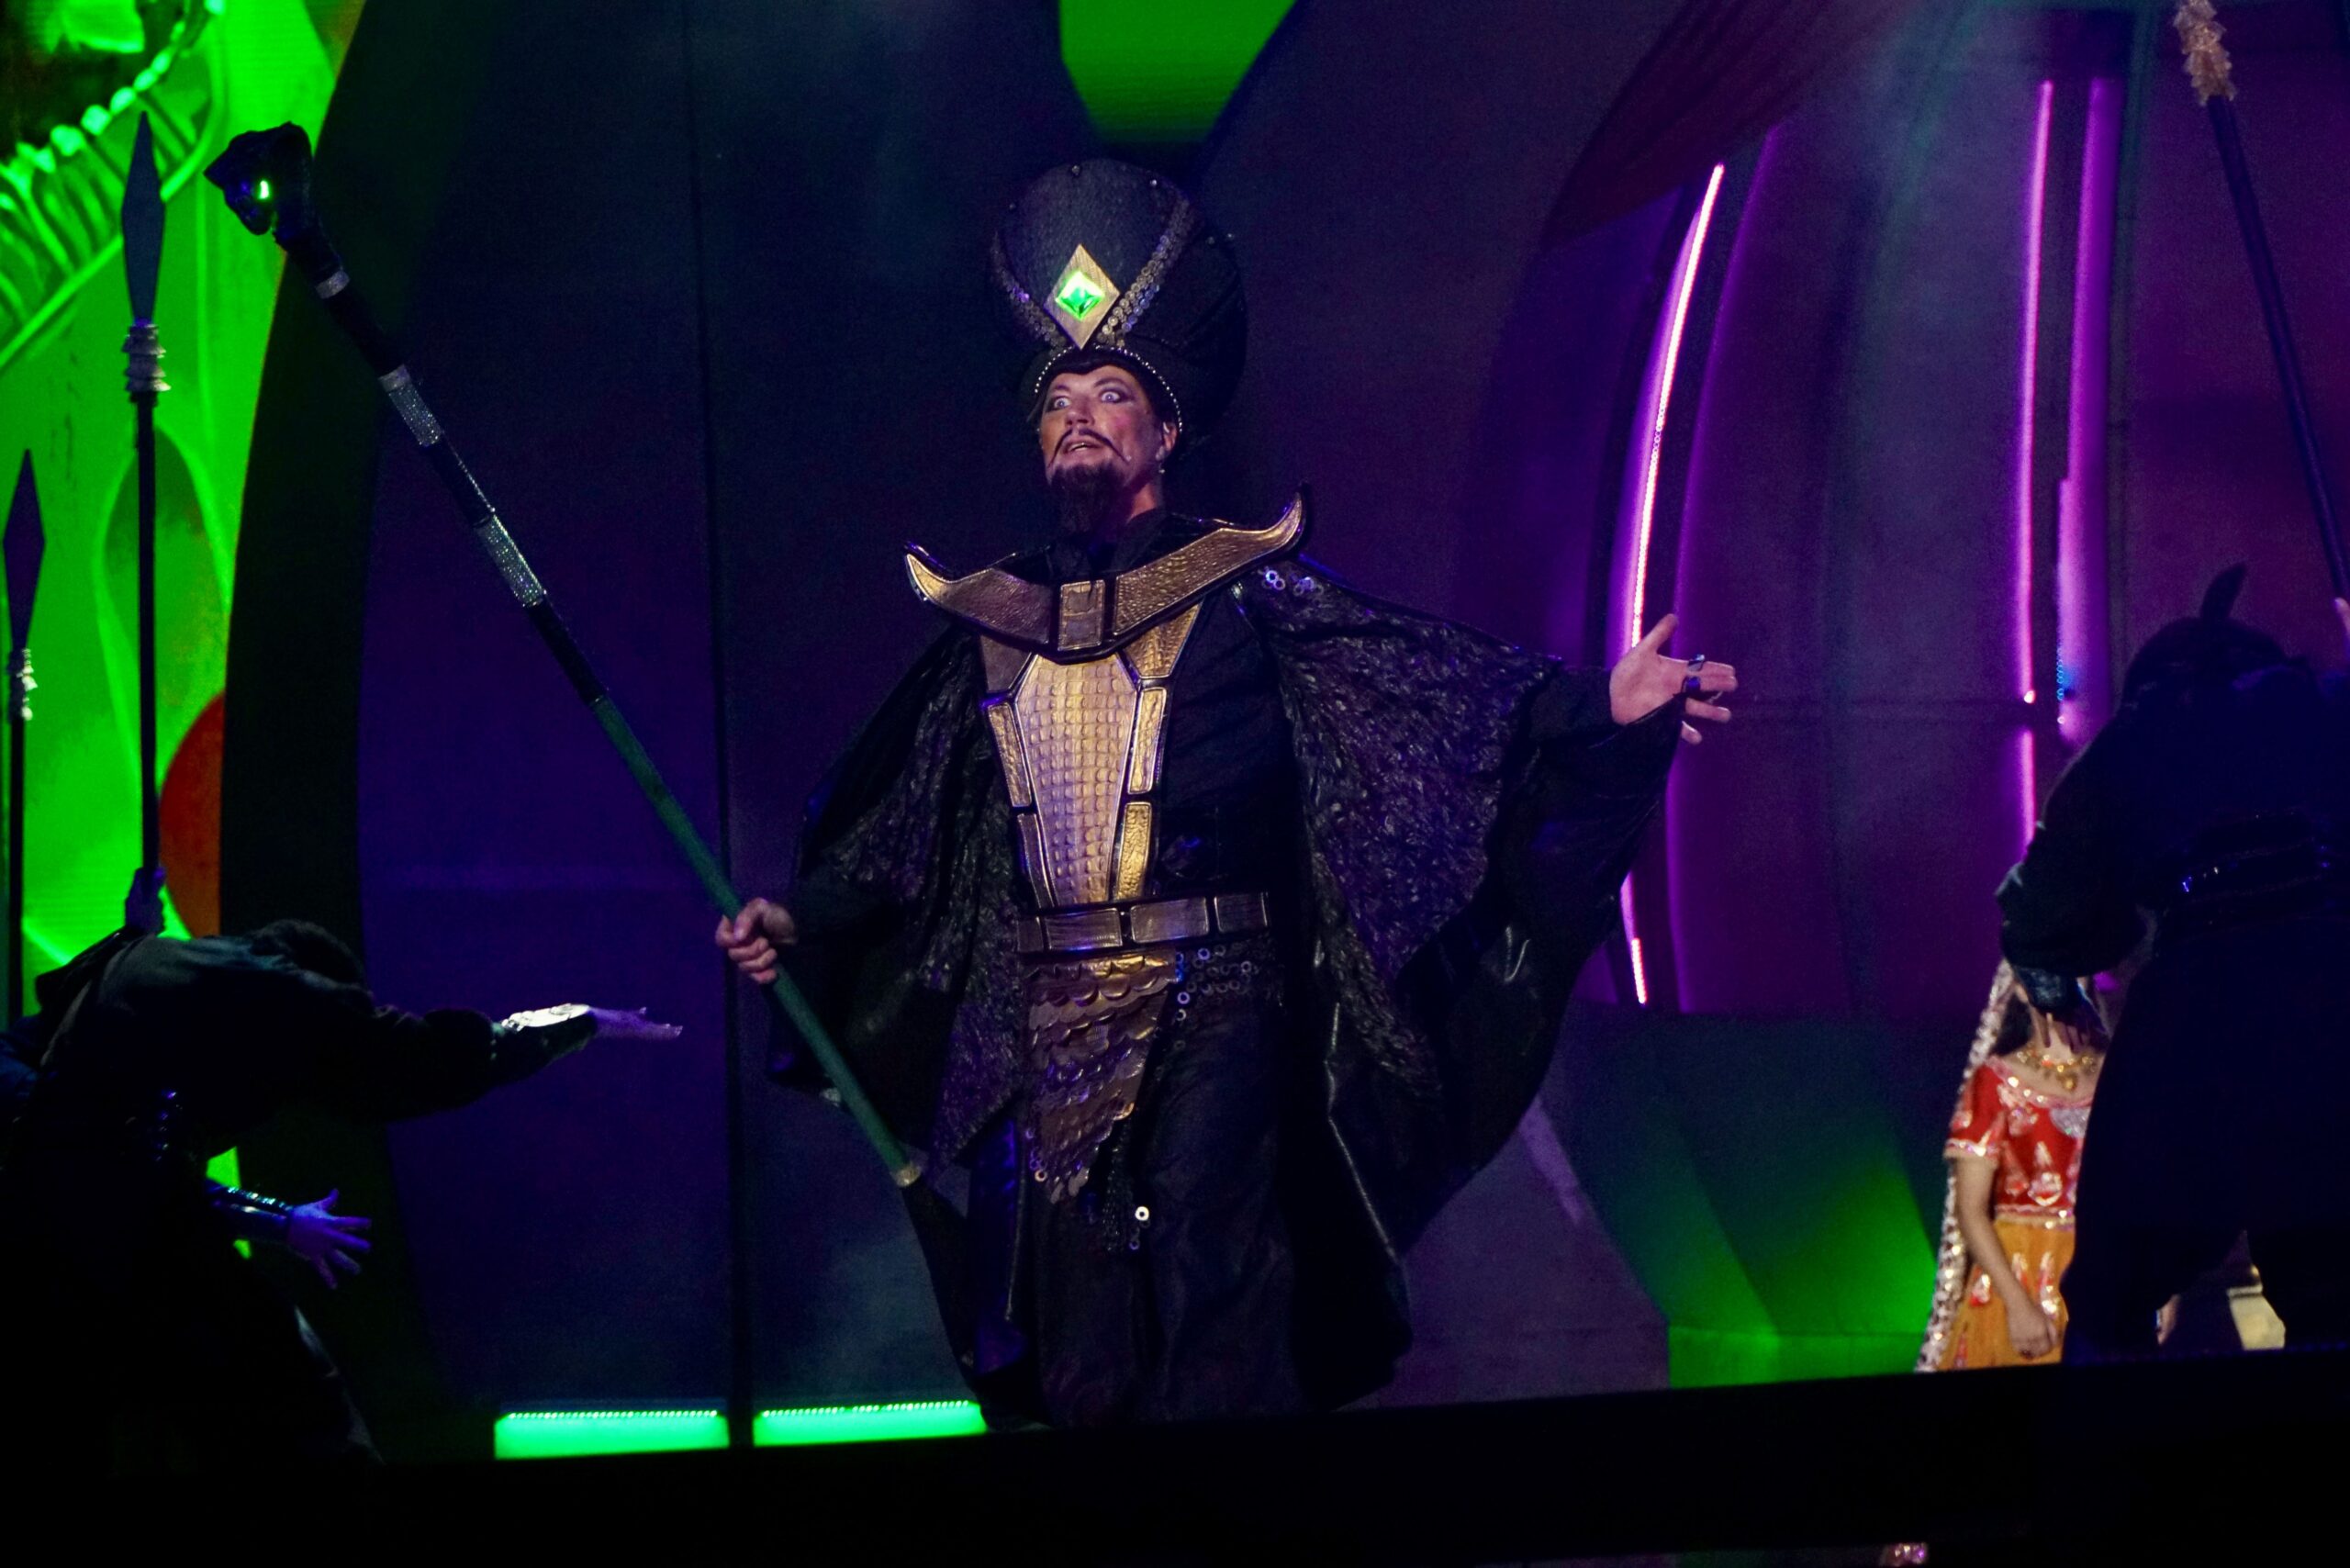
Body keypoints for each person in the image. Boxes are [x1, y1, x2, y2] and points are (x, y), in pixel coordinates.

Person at [716, 159, 1737, 1425]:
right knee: (1075, 1333)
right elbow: (907, 830)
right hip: (1049, 1018)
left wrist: (1595, 703)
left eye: (1112, 393)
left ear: (1166, 433)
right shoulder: (990, 624)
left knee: (1212, 1303)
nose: (1080, 417)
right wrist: (801, 916)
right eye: (1058, 401)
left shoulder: (1246, 592)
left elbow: (1429, 685)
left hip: (1219, 1007)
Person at [0, 884, 680, 1471]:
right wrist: (583, 1021)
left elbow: (106, 1143)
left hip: (46, 1226)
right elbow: (433, 1058)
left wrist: (276, 1222)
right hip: (106, 1234)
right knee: (299, 1407)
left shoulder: (151, 964)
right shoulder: (285, 994)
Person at [1998, 568, 2350, 1361]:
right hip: (2334, 1005)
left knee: (2111, 1299)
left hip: (2199, 1017)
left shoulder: (2139, 735)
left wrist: (2058, 983)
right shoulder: (2326, 703)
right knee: (2333, 1289)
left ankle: (2109, 1435)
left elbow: (2043, 913)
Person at [1916, 965, 2102, 1371]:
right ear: (2017, 987)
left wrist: (2163, 1288)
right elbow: (1971, 1209)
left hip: (2107, 1267)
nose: (2057, 982)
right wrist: (2017, 1303)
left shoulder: (2118, 1072)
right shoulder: (1996, 1081)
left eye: (2071, 967)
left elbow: (2149, 1191)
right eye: (2042, 970)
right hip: (2019, 1274)